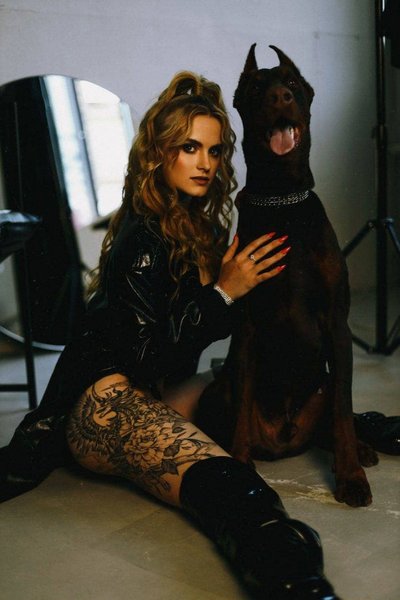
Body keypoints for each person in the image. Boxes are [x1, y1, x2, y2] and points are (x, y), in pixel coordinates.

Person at [1, 71, 339, 599]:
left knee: (266, 387)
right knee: (231, 485)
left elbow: (198, 340)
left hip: (157, 392)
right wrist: (223, 292)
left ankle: (362, 425)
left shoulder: (198, 229)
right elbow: (144, 357)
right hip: (106, 403)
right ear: (159, 155)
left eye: (214, 150)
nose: (205, 163)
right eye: (189, 148)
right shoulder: (144, 237)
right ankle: (299, 583)